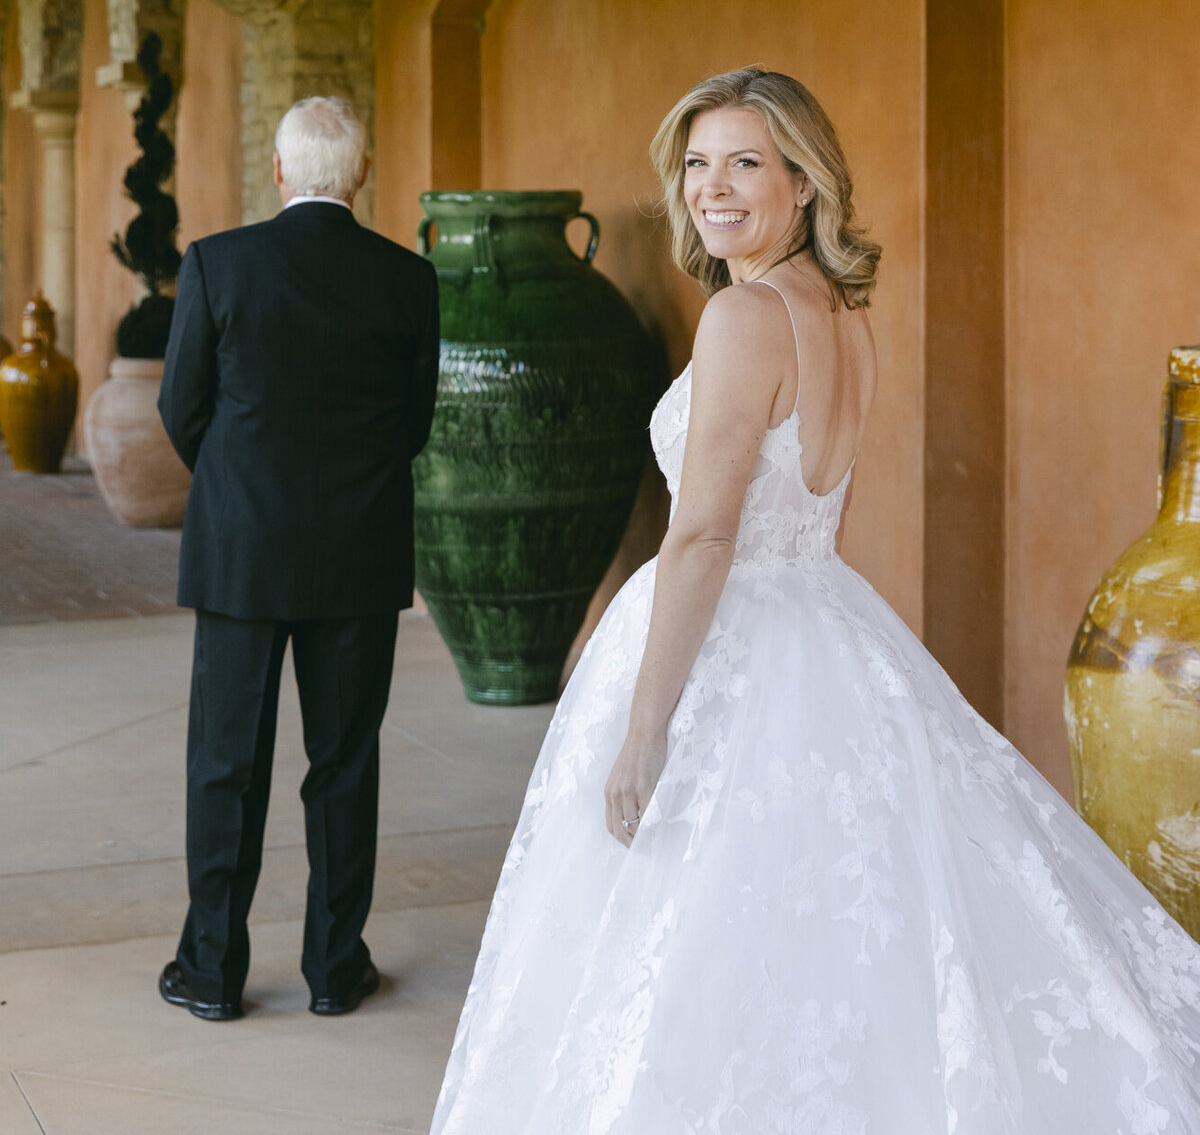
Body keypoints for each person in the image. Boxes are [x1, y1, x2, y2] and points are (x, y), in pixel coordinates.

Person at [430, 65, 1200, 1132]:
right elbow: (817, 512)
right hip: (830, 626)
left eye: (745, 161)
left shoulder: (746, 317)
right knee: (841, 932)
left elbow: (704, 536)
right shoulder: (844, 315)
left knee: (702, 932)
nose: (714, 187)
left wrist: (647, 726)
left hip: (731, 634)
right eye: (697, 164)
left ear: (802, 182)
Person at [156, 96, 439, 1022]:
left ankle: (210, 973)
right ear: (359, 175)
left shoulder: (217, 264)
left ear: (280, 172)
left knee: (224, 765)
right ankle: (333, 968)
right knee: (345, 763)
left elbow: (180, 409)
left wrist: (238, 484)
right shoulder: (408, 279)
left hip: (242, 556)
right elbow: (412, 425)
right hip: (357, 554)